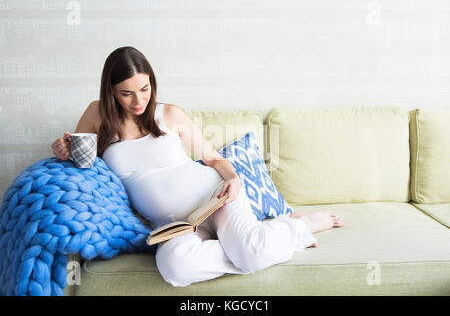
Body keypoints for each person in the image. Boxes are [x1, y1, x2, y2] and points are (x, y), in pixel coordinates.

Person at [51, 46, 344, 287]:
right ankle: (255, 244)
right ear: (111, 91)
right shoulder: (96, 114)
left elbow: (213, 159)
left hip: (215, 198)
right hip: (174, 226)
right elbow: (81, 160)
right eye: (126, 93)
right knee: (175, 267)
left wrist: (233, 180)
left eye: (144, 88)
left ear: (152, 82)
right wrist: (64, 151)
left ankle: (298, 226)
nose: (139, 100)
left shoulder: (170, 114)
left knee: (251, 254)